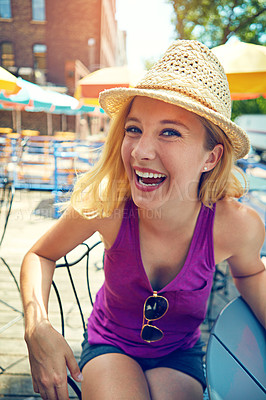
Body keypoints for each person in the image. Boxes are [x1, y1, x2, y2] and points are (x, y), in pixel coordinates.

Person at [20, 40, 266, 400]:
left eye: (170, 132)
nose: (140, 151)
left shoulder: (236, 225)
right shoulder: (108, 206)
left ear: (211, 157)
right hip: (109, 345)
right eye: (133, 129)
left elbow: (250, 273)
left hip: (180, 355)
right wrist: (36, 327)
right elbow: (40, 256)